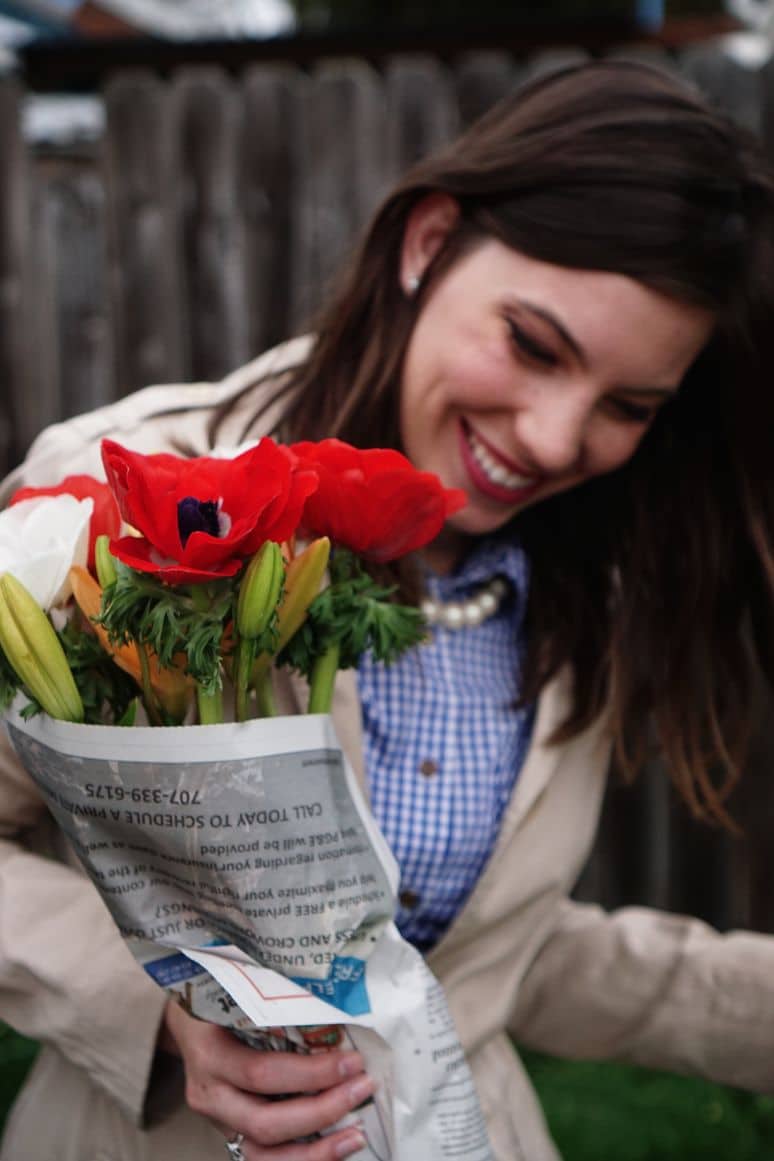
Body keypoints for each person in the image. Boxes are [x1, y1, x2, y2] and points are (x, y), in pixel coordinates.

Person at [1, 58, 774, 1161]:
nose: (558, 440)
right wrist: (153, 1013)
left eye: (628, 405)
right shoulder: (125, 492)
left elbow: (485, 955)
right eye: (533, 345)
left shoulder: (588, 585)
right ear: (427, 244)